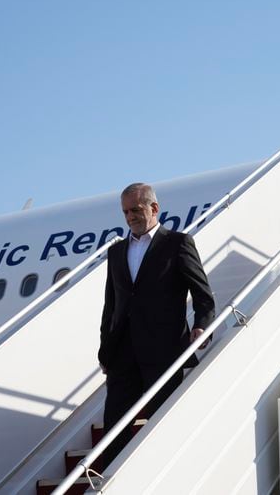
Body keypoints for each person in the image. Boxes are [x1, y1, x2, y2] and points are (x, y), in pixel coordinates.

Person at [98, 182, 215, 466]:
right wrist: (105, 350)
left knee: (163, 425)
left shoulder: (178, 243)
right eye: (125, 212)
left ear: (154, 208)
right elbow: (110, 306)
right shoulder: (116, 252)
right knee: (113, 428)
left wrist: (202, 325)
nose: (130, 217)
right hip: (123, 353)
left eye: (135, 210)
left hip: (163, 351)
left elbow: (203, 294)